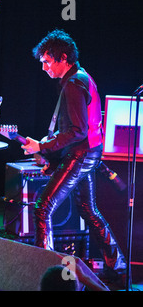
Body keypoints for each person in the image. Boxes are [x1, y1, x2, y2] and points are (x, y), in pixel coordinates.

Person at [22, 29, 126, 278]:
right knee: (89, 210)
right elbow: (76, 128)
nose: (44, 67)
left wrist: (42, 147)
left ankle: (43, 271)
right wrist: (48, 144)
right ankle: (118, 265)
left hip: (82, 154)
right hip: (89, 153)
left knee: (42, 208)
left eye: (47, 61)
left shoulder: (73, 84)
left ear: (63, 57)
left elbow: (78, 132)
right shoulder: (81, 77)